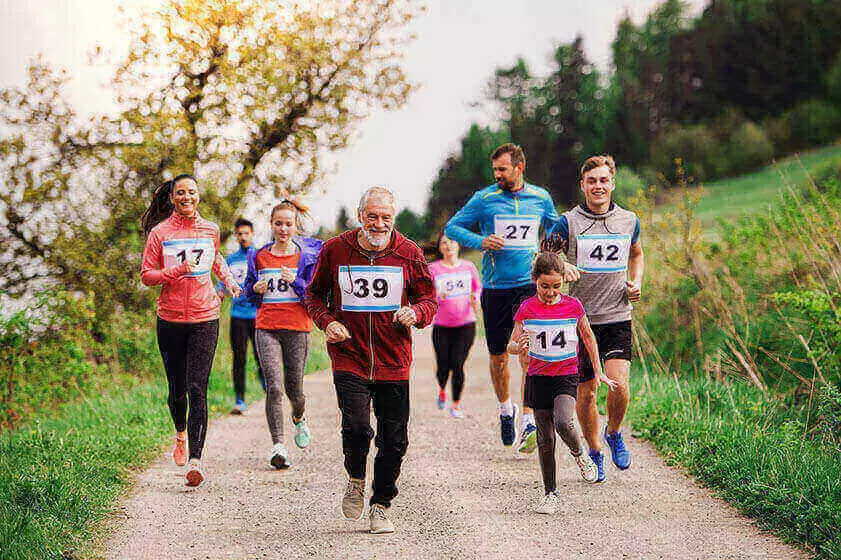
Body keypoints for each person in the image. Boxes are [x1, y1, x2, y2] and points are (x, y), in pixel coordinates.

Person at [305, 186, 437, 534]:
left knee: (394, 439)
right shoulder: (336, 249)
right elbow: (314, 295)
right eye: (372, 216)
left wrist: (415, 312)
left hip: (394, 359)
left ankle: (380, 504)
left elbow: (429, 298)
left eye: (386, 218)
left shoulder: (409, 252)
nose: (379, 224)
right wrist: (328, 322)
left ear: (393, 219)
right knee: (358, 427)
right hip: (350, 355)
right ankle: (355, 479)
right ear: (359, 215)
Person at [444, 143, 578, 454]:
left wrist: (559, 258)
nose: (498, 175)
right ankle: (507, 409)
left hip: (529, 285)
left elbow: (555, 231)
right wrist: (481, 241)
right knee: (499, 356)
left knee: (529, 352)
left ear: (519, 168)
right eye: (495, 170)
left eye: (502, 169)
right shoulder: (485, 199)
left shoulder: (540, 197)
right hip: (496, 287)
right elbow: (453, 227)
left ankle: (529, 418)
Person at [544, 154, 645, 482]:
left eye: (604, 180)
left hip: (617, 315)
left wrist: (637, 281)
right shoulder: (568, 222)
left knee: (619, 385)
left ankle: (614, 432)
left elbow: (637, 253)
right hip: (580, 321)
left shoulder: (629, 220)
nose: (598, 186)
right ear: (583, 185)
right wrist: (562, 266)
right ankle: (595, 450)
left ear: (612, 183)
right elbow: (545, 256)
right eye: (592, 181)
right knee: (586, 394)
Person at [140, 174, 241, 488]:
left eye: (192, 192)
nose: (186, 197)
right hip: (170, 319)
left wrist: (229, 280)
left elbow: (215, 259)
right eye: (180, 192)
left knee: (198, 387)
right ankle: (180, 432)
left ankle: (196, 461)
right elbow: (147, 276)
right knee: (177, 389)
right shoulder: (160, 233)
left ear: (198, 195)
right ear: (172, 198)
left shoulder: (210, 229)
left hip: (205, 315)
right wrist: (175, 271)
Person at [507, 253, 616, 513]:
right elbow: (510, 345)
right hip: (537, 376)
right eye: (545, 286)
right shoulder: (526, 308)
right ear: (535, 281)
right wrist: (517, 346)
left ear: (563, 283)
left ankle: (580, 455)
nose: (550, 291)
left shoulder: (573, 306)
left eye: (556, 286)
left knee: (564, 420)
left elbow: (588, 338)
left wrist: (598, 371)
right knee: (545, 438)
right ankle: (550, 493)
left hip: (566, 374)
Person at [243, 199, 322, 469]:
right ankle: (278, 445)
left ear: (295, 226)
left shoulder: (306, 256)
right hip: (267, 327)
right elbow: (247, 294)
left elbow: (313, 294)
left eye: (288, 224)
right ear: (271, 225)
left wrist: (296, 282)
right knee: (274, 387)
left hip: (297, 328)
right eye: (279, 223)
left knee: (294, 390)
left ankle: (299, 418)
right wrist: (255, 289)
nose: (283, 228)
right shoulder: (260, 256)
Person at [428, 232, 481, 418]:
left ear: (458, 246)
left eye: (452, 242)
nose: (449, 245)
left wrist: (476, 298)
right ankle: (442, 388)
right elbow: (425, 293)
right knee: (443, 365)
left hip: (466, 324)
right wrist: (435, 297)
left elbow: (477, 288)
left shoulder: (469, 267)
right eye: (444, 243)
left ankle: (456, 404)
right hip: (441, 325)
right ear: (440, 247)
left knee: (458, 364)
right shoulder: (433, 269)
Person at [216, 218, 264, 415]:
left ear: (252, 234)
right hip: (238, 316)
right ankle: (239, 400)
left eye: (246, 233)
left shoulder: (261, 257)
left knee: (262, 357)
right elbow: (222, 286)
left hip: (259, 315)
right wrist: (219, 292)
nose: (243, 237)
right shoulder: (231, 260)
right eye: (240, 234)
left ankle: (270, 393)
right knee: (239, 358)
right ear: (236, 236)